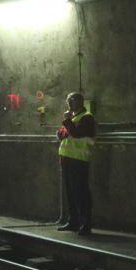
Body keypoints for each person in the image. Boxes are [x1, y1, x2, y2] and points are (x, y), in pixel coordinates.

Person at [56, 92, 96, 235]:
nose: (69, 104)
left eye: (71, 101)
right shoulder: (73, 118)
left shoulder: (87, 118)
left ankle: (86, 224)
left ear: (78, 102)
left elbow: (76, 133)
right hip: (67, 160)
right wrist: (68, 125)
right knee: (71, 193)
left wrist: (68, 122)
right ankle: (73, 222)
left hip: (78, 160)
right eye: (68, 101)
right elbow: (60, 134)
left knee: (81, 192)